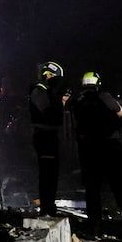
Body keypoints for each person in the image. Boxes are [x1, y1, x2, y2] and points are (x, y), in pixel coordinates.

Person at [72, 70, 122, 231]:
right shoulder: (104, 97)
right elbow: (120, 112)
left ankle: (95, 220)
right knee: (118, 183)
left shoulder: (78, 100)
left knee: (92, 187)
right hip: (108, 147)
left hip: (88, 149)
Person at [29, 61, 69, 216]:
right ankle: (47, 207)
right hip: (44, 136)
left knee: (52, 173)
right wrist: (58, 98)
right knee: (47, 173)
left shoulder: (48, 92)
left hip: (50, 136)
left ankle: (49, 204)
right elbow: (48, 111)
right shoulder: (39, 91)